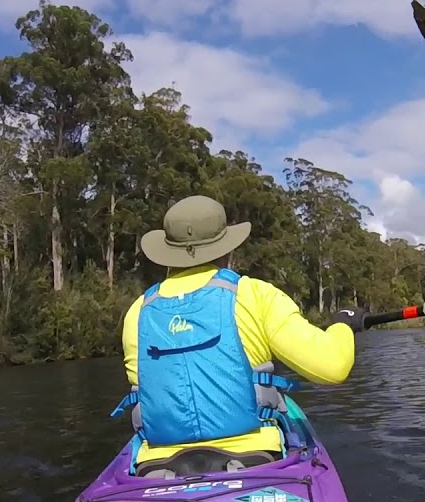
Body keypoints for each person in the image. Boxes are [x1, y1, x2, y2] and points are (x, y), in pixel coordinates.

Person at [111, 195, 366, 473]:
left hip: (158, 466)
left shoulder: (138, 311)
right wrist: (343, 325)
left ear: (168, 250)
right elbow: (333, 368)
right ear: (225, 246)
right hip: (253, 459)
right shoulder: (255, 295)